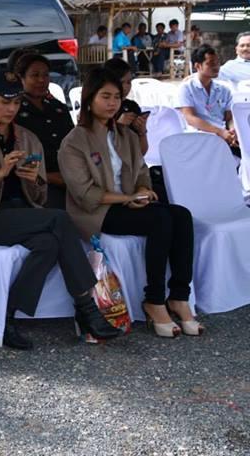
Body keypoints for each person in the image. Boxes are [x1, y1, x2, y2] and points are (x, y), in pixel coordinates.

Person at [0, 69, 120, 349]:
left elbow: (39, 197)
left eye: (16, 102)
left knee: (48, 244)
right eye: (4, 102)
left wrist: (34, 180)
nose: (11, 109)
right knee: (59, 220)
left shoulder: (27, 138)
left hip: (24, 214)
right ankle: (86, 306)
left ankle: (8, 317)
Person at [58, 67, 201, 339]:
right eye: (105, 97)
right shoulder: (74, 141)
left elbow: (142, 172)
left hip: (127, 202)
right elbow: (85, 194)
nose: (113, 103)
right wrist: (129, 198)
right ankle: (154, 300)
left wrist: (143, 190)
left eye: (116, 97)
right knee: (160, 219)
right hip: (96, 212)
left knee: (182, 215)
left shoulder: (125, 135)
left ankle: (179, 296)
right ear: (90, 99)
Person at [13, 53, 74, 209]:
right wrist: (49, 177)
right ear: (21, 78)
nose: (41, 80)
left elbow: (73, 143)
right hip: (36, 181)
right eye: (35, 75)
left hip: (70, 176)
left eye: (45, 75)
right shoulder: (14, 111)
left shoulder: (58, 108)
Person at [178, 45, 237, 156]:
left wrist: (232, 130)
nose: (216, 67)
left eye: (218, 63)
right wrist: (219, 131)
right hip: (198, 136)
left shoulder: (224, 90)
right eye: (211, 63)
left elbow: (229, 118)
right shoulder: (187, 88)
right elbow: (190, 118)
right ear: (198, 66)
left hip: (223, 136)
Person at [103, 58, 149, 155]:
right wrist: (118, 126)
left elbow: (141, 152)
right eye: (121, 82)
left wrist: (142, 131)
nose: (125, 87)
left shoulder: (132, 107)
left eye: (128, 82)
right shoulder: (98, 108)